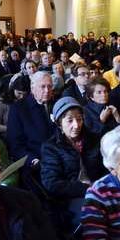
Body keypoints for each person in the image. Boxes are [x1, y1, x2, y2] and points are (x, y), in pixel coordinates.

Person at [39, 97, 104, 228]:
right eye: (70, 120)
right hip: (72, 198)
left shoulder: (94, 139)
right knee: (96, 216)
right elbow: (52, 183)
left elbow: (106, 168)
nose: (76, 125)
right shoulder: (51, 147)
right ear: (59, 123)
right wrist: (85, 188)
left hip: (100, 190)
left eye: (79, 119)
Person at [7, 71, 56, 170]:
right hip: (36, 161)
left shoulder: (57, 104)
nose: (47, 90)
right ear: (32, 88)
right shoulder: (19, 108)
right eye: (42, 87)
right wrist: (32, 160)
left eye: (50, 86)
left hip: (59, 157)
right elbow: (15, 145)